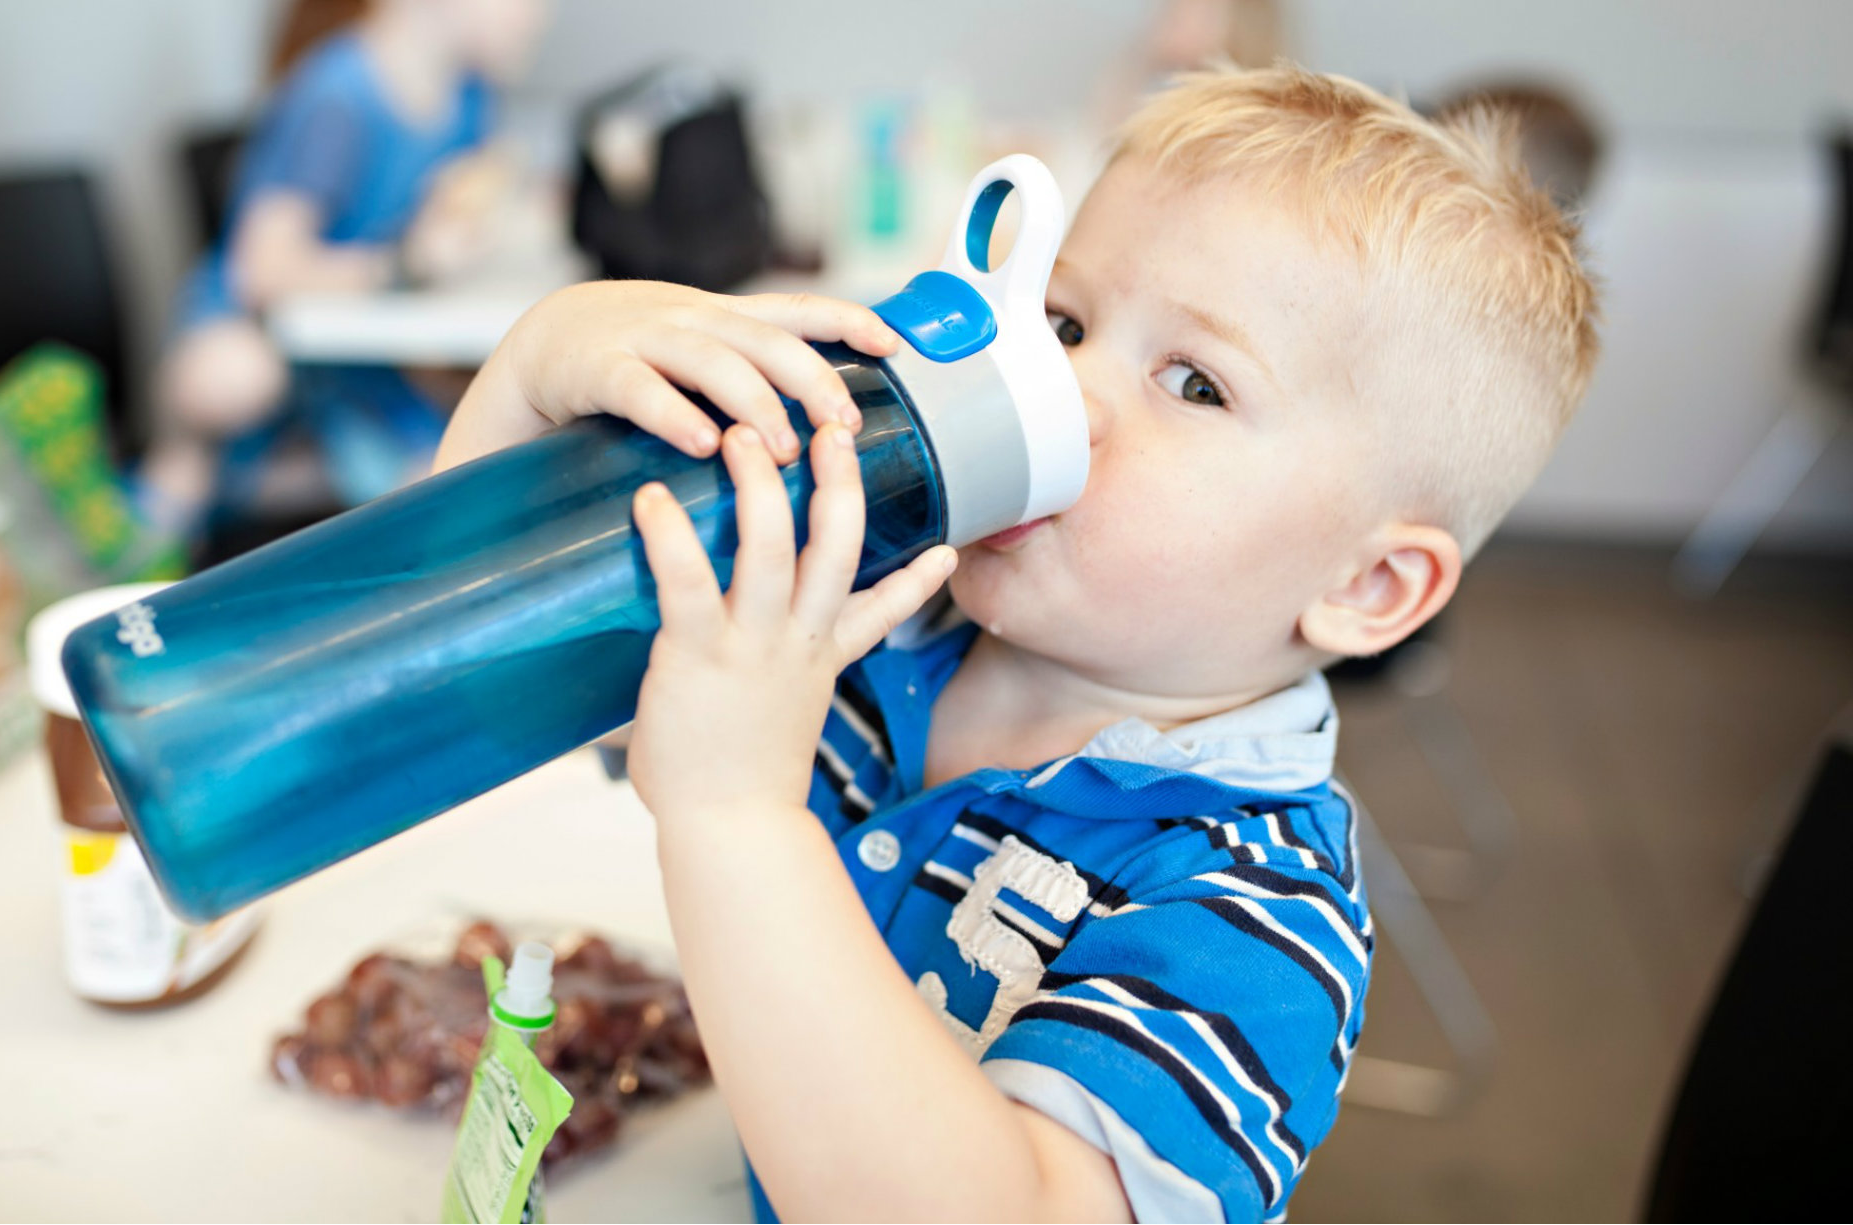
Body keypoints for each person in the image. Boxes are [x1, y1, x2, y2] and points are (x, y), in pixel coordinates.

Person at [433, 64, 1599, 1222]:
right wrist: (534, 375)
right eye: (1064, 322)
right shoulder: (869, 617)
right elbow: (483, 676)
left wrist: (739, 815)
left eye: (1194, 382)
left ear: (1367, 585)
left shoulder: (1250, 910)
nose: (1055, 388)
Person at [140, 0, 547, 540]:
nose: (540, 16)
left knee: (471, 461)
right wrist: (407, 264)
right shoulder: (338, 97)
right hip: (273, 342)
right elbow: (261, 272)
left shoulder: (468, 99)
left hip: (361, 348)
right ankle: (188, 486)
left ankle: (274, 480)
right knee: (233, 379)